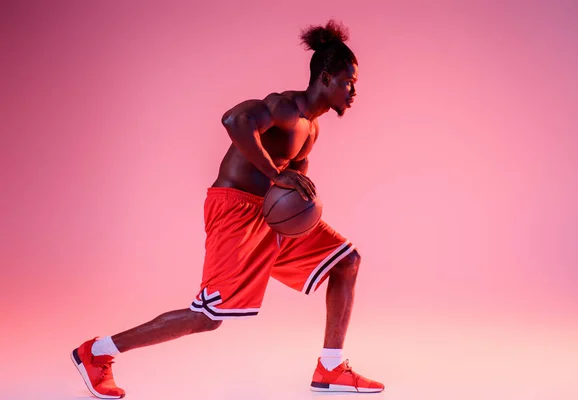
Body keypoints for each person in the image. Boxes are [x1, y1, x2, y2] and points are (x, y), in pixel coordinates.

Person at [71, 19, 384, 398]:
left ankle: (330, 366)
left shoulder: (312, 129)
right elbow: (234, 120)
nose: (353, 91)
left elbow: (294, 179)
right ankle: (96, 352)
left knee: (346, 260)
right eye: (348, 81)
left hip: (270, 214)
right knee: (206, 317)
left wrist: (301, 199)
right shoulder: (284, 107)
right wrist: (274, 173)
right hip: (235, 210)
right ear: (325, 77)